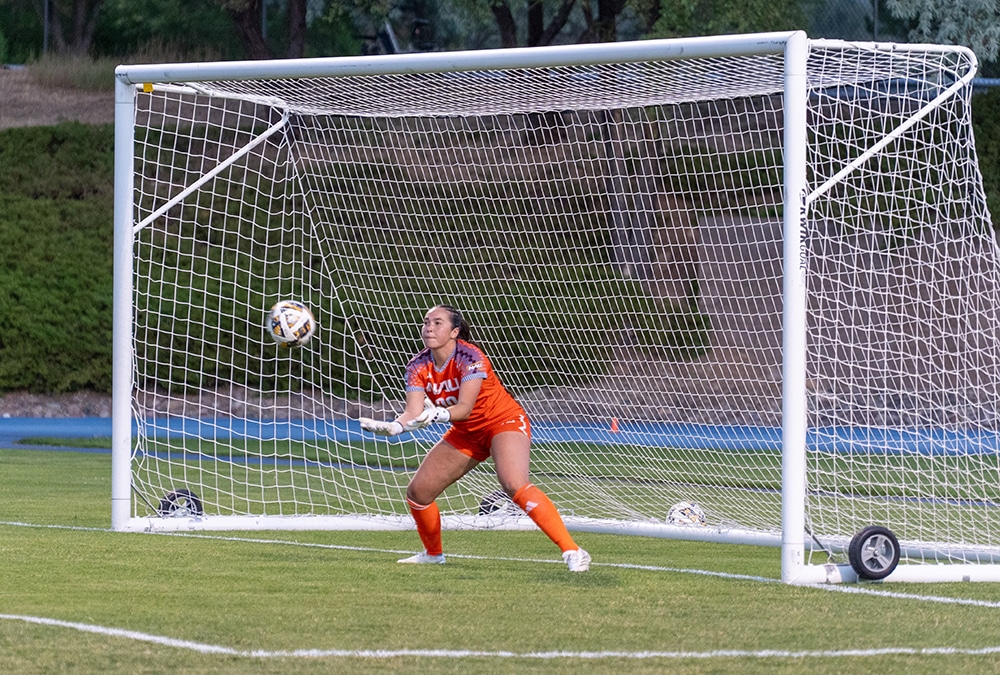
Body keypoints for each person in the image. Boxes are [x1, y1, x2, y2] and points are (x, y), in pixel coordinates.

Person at [359, 304, 591, 572]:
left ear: (455, 331)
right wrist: (393, 428)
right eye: (426, 322)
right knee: (418, 492)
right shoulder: (417, 365)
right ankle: (433, 555)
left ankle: (573, 551)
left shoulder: (471, 357)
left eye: (437, 323)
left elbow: (464, 408)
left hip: (502, 422)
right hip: (466, 433)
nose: (429, 328)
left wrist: (436, 415)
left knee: (513, 483)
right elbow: (412, 412)